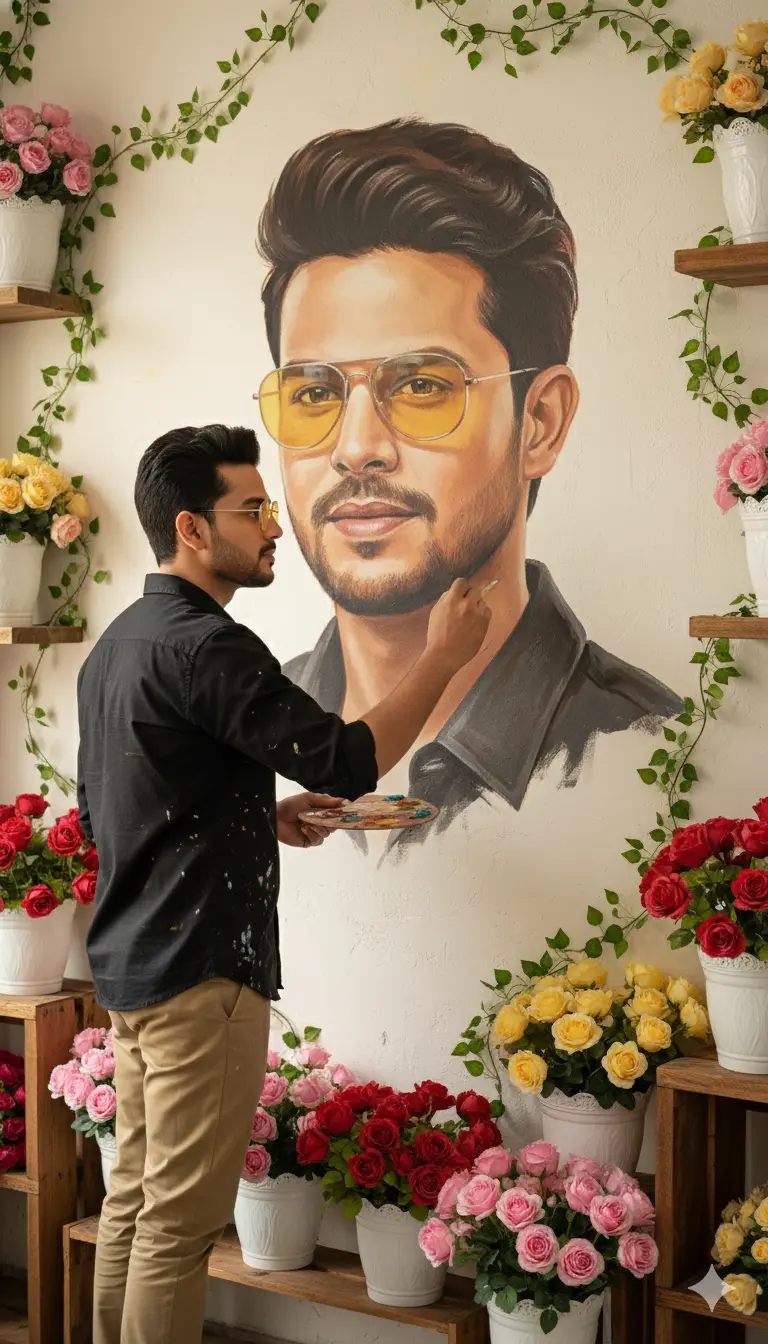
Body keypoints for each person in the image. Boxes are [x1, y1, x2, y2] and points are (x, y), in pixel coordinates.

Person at [76, 422, 492, 1344]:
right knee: (179, 1233)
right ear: (192, 528)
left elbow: (123, 808)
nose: (274, 525)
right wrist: (445, 654)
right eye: (252, 508)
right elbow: (345, 760)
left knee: (135, 1210)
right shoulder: (209, 648)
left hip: (133, 971)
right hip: (198, 978)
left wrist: (260, 816)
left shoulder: (120, 644)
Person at [256, 118, 682, 849]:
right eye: (315, 394)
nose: (356, 448)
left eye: (422, 385)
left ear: (540, 421)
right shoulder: (253, 722)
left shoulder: (641, 742)